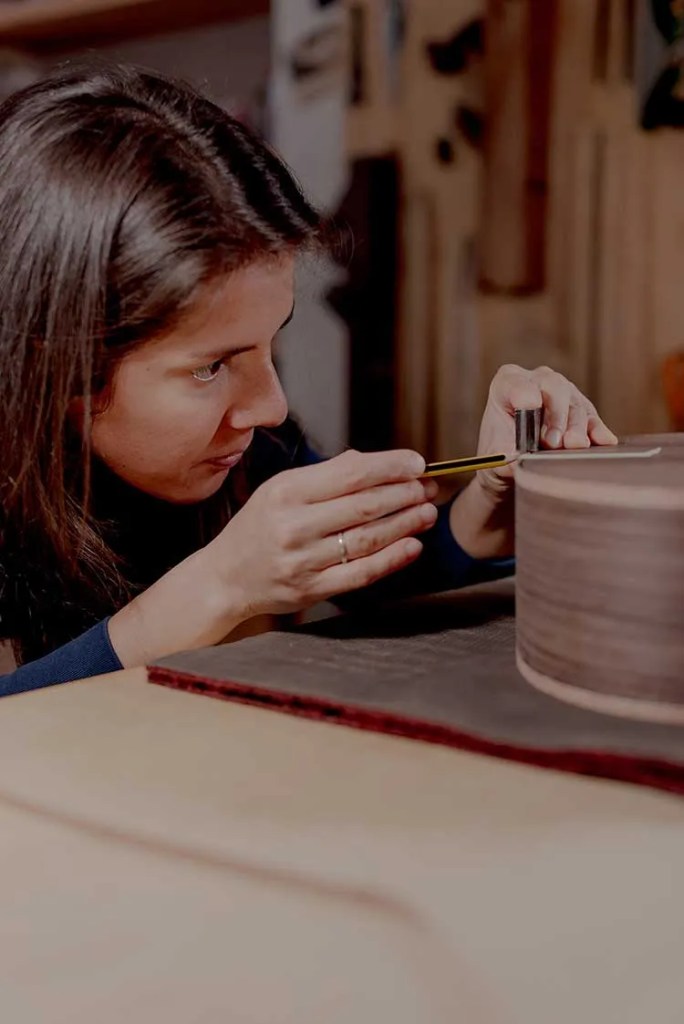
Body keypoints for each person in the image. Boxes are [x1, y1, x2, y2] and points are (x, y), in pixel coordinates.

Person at [0, 64, 617, 697]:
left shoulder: (255, 453)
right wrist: (218, 587)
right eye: (211, 367)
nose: (271, 407)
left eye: (274, 343)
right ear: (59, 365)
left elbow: (399, 584)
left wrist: (492, 499)